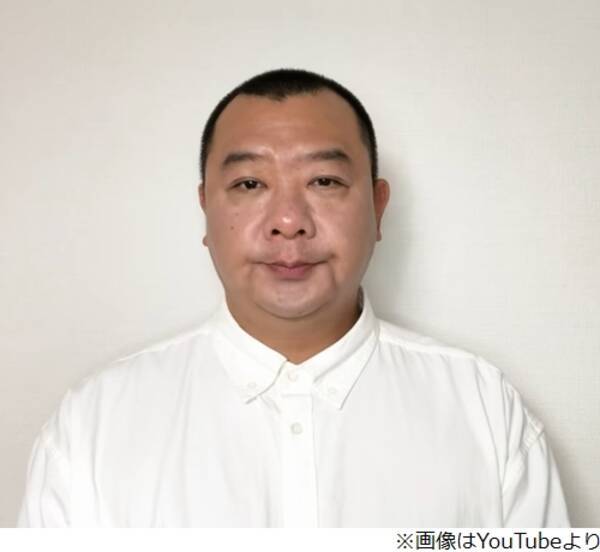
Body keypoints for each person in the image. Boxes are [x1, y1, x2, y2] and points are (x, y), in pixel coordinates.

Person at [18, 68, 570, 527]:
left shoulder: (485, 410)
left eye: (324, 181)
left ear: (378, 208)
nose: (288, 221)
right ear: (205, 209)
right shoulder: (92, 426)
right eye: (249, 184)